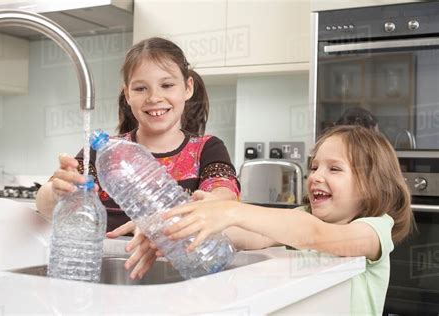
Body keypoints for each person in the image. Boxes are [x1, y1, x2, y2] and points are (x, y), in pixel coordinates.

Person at [35, 37, 240, 278]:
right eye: (141, 88)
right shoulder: (102, 151)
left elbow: (223, 200)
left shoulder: (208, 149)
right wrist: (57, 192)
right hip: (106, 275)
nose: (154, 98)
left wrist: (159, 223)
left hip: (181, 276)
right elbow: (44, 205)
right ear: (127, 94)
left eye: (167, 85)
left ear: (188, 88)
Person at [161, 125, 414, 314]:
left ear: (371, 185)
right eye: (314, 167)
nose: (316, 176)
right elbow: (251, 235)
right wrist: (180, 228)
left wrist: (231, 211)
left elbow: (315, 235)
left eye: (334, 169)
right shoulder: (303, 217)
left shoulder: (375, 229)